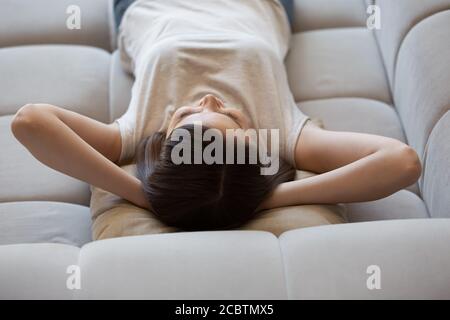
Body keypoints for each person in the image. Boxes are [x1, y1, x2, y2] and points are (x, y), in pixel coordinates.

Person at [11, 0, 421, 231]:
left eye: (188, 116)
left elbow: (29, 122)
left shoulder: (138, 135)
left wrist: (141, 192)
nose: (210, 100)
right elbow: (403, 162)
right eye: (234, 118)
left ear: (166, 143)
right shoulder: (281, 138)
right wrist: (275, 197)